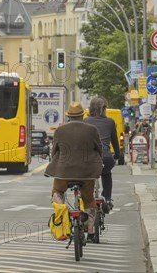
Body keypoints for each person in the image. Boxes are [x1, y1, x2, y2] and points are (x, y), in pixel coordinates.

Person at [45, 102, 103, 243]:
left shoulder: (60, 130)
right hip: (86, 173)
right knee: (89, 200)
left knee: (57, 192)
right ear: (83, 115)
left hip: (63, 173)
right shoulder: (92, 130)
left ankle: (63, 211)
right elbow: (99, 149)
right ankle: (90, 233)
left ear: (68, 116)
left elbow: (54, 152)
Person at [84, 97, 121, 212]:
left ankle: (87, 199)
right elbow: (115, 142)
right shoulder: (110, 122)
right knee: (106, 173)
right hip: (105, 157)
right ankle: (107, 198)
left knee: (87, 176)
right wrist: (117, 155)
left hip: (89, 158)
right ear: (103, 109)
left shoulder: (85, 121)